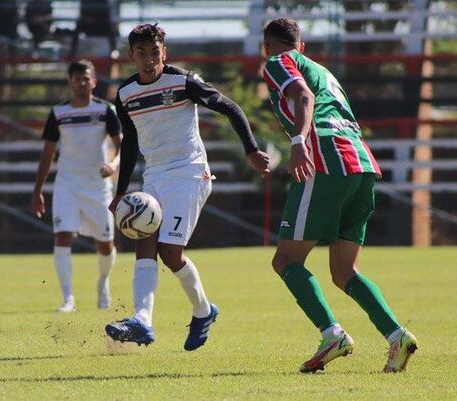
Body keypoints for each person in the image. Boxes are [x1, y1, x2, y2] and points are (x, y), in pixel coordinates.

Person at [262, 18, 417, 373]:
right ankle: (397, 337)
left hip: (326, 162)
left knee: (286, 260)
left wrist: (299, 141)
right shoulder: (323, 70)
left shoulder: (277, 61)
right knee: (344, 271)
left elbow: (303, 95)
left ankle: (332, 334)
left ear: (267, 47)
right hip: (362, 165)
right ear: (302, 46)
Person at [104, 23, 270, 350]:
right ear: (131, 56)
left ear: (164, 52)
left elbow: (230, 107)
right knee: (144, 242)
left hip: (190, 173)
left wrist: (251, 150)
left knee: (170, 252)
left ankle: (203, 312)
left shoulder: (183, 81)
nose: (149, 59)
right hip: (154, 176)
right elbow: (132, 142)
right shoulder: (125, 94)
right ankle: (142, 320)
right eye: (142, 53)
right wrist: (121, 190)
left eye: (155, 52)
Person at [32, 60, 122, 312]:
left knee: (105, 243)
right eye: (77, 79)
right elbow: (48, 152)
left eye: (86, 78)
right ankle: (68, 298)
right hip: (67, 184)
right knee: (62, 235)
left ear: (94, 81)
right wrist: (38, 189)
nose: (82, 83)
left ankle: (103, 283)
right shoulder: (58, 113)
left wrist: (113, 165)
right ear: (70, 82)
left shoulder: (106, 110)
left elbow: (121, 146)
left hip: (98, 186)